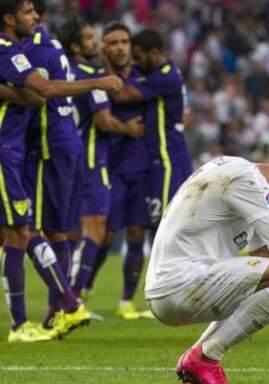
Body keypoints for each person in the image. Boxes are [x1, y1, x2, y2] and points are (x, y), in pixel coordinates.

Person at [144, 154, 269, 384]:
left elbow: (264, 255)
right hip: (180, 283)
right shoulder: (245, 179)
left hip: (174, 286)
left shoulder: (244, 181)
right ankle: (206, 357)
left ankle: (199, 357)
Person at [0, 0, 122, 342]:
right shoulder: (18, 48)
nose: (36, 17)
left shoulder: (26, 47)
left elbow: (38, 95)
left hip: (26, 149)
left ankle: (55, 311)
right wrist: (98, 82)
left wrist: (16, 94)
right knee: (26, 231)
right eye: (28, 12)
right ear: (9, 18)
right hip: (29, 150)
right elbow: (45, 90)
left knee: (28, 231)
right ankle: (52, 312)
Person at [56, 18, 145, 315]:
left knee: (68, 234)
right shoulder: (92, 77)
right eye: (90, 39)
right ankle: (72, 301)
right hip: (92, 159)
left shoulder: (65, 72)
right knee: (93, 232)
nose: (95, 43)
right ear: (76, 45)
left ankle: (67, 300)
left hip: (66, 157)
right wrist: (127, 128)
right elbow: (105, 120)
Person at [84, 21, 153, 320]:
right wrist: (126, 128)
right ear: (104, 48)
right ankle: (83, 291)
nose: (121, 47)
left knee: (137, 233)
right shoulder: (97, 81)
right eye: (114, 43)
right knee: (106, 235)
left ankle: (127, 302)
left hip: (142, 166)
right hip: (109, 166)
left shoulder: (144, 77)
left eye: (125, 42)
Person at [106, 29, 193, 231]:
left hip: (168, 157)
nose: (136, 61)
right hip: (160, 158)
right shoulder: (165, 72)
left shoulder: (164, 77)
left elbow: (122, 96)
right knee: (156, 222)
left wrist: (106, 63)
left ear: (153, 53)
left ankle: (169, 264)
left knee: (165, 224)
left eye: (138, 56)